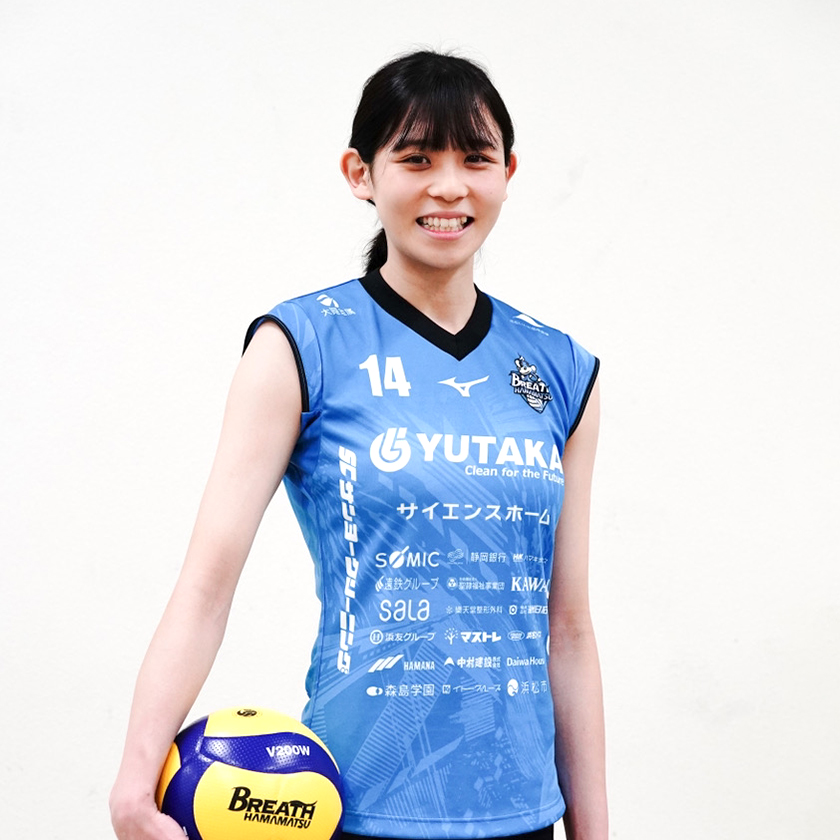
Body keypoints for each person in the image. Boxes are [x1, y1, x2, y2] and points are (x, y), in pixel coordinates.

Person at [109, 50, 607, 840]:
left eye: (475, 158)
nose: (450, 186)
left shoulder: (559, 368)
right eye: (417, 158)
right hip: (352, 805)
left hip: (520, 809)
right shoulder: (300, 344)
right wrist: (135, 787)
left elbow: (568, 627)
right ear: (360, 173)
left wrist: (593, 831)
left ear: (508, 173)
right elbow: (206, 586)